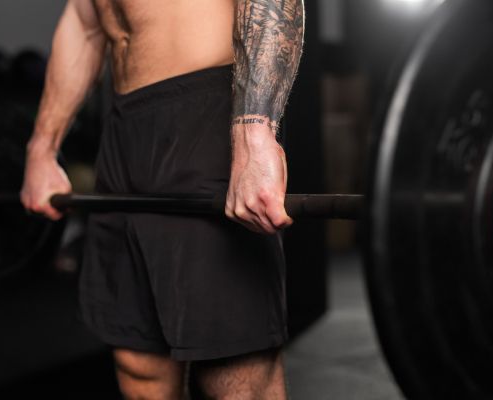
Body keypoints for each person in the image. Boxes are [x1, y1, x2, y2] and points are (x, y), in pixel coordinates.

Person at [20, 0, 303, 398]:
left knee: (234, 370)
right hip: (123, 128)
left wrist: (254, 133)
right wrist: (42, 149)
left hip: (209, 111)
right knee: (138, 365)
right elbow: (84, 23)